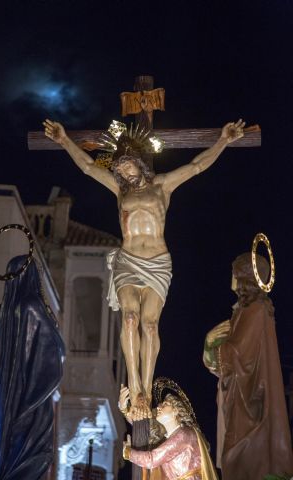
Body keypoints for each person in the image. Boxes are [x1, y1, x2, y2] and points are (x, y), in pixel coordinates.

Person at [43, 117, 245, 407]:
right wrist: (64, 140)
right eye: (120, 168)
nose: (124, 171)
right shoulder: (120, 190)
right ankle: (134, 383)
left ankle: (146, 390)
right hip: (128, 260)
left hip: (157, 263)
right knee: (129, 318)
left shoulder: (162, 186)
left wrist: (224, 140)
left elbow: (197, 166)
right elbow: (88, 167)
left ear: (140, 163)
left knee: (149, 326)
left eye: (128, 165)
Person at [203, 253, 293, 480]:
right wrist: (210, 342)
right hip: (240, 394)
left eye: (235, 273)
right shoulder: (244, 311)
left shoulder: (257, 310)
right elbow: (225, 361)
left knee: (242, 455)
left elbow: (236, 354)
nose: (232, 277)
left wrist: (213, 345)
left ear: (245, 276)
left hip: (250, 400)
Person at [0, 255, 65, 480]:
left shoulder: (3, 312)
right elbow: (56, 351)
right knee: (30, 457)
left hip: (5, 402)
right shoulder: (32, 306)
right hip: (30, 399)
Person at [119, 383, 218, 480]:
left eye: (165, 404)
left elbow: (151, 459)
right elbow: (143, 426)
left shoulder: (184, 434)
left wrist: (127, 452)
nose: (158, 407)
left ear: (175, 411)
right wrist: (124, 408)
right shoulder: (168, 437)